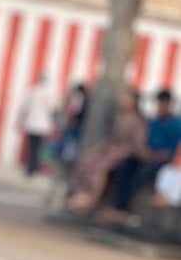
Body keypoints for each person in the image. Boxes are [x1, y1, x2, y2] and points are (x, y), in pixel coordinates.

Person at [66, 88, 147, 213]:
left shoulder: (138, 122)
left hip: (123, 153)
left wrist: (121, 151)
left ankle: (92, 199)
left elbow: (137, 145)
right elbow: (111, 138)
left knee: (101, 169)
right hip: (109, 149)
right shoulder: (119, 118)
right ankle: (81, 193)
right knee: (87, 161)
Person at [104, 87, 181, 216]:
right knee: (125, 167)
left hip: (164, 160)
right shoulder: (154, 123)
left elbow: (171, 151)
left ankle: (124, 208)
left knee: (143, 172)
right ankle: (119, 207)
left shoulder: (176, 125)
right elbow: (144, 144)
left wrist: (158, 155)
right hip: (148, 156)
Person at [15, 74, 55, 176]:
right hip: (43, 125)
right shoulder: (49, 94)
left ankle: (31, 168)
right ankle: (33, 167)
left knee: (32, 147)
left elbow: (24, 108)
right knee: (38, 148)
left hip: (32, 123)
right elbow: (52, 109)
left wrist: (20, 121)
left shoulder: (33, 91)